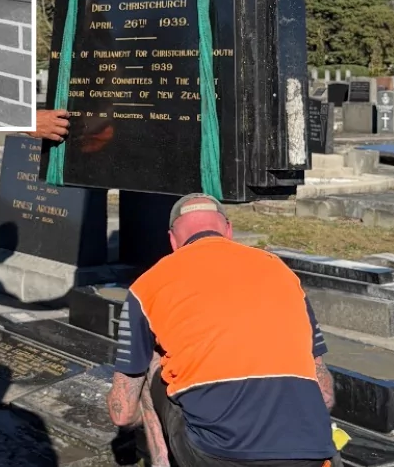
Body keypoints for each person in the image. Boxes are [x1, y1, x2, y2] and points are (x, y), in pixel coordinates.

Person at [106, 194, 339, 467]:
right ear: (228, 231)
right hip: (310, 452)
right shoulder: (283, 273)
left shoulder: (148, 286)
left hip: (215, 455)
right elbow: (325, 394)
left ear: (172, 241)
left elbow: (122, 413)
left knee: (151, 361)